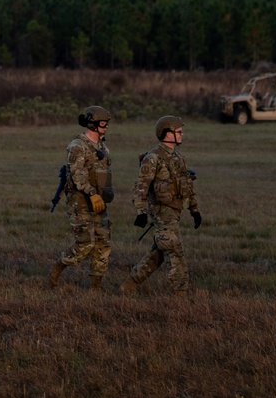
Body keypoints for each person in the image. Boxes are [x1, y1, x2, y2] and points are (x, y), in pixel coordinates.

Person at [121, 115, 201, 295]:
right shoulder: (153, 158)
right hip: (160, 212)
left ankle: (128, 286)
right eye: (178, 132)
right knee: (174, 250)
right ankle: (180, 293)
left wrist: (194, 209)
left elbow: (187, 185)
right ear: (166, 133)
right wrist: (141, 212)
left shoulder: (179, 157)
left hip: (175, 211)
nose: (181, 135)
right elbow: (140, 186)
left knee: (158, 253)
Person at [48, 106, 114, 291]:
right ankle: (57, 268)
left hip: (99, 200)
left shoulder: (103, 146)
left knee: (103, 242)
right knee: (85, 244)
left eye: (107, 123)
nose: (106, 127)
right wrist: (91, 194)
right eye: (103, 123)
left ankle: (96, 286)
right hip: (81, 200)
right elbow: (77, 175)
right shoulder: (77, 145)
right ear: (92, 124)